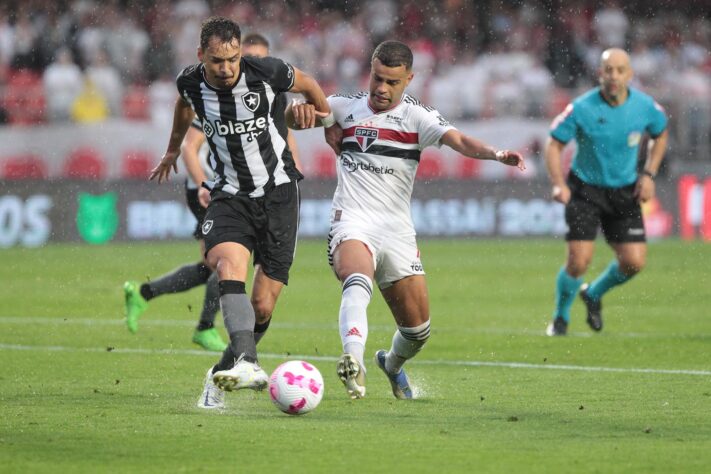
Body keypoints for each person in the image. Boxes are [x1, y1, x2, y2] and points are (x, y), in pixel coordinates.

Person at [287, 40, 525, 400]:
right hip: (352, 217)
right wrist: (296, 114)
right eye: (377, 78)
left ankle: (391, 364)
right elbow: (299, 116)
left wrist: (495, 153)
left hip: (397, 229)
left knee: (418, 331)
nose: (382, 88)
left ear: (409, 79)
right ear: (370, 70)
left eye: (392, 82)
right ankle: (353, 359)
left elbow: (458, 139)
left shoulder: (418, 117)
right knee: (356, 275)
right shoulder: (343, 106)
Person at [150, 17, 332, 409]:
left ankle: (221, 371)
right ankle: (248, 361)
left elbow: (311, 85)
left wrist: (320, 117)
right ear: (201, 56)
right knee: (227, 262)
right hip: (229, 195)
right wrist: (172, 150)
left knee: (263, 305)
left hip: (280, 194)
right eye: (217, 60)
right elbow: (184, 107)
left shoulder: (266, 71)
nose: (227, 67)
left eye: (232, 59)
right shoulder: (190, 82)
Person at [544, 48, 668, 336]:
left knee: (634, 262)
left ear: (630, 74)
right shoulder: (581, 107)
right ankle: (560, 318)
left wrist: (649, 174)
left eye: (619, 70)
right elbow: (554, 144)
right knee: (578, 261)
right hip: (585, 190)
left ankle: (594, 293)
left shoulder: (646, 107)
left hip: (624, 191)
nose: (613, 76)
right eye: (608, 70)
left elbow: (660, 134)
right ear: (599, 73)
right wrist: (558, 183)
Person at [122, 116, 227, 353]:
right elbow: (189, 146)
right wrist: (203, 183)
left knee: (212, 265)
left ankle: (143, 293)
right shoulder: (211, 100)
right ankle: (205, 327)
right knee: (226, 262)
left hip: (223, 190)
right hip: (209, 191)